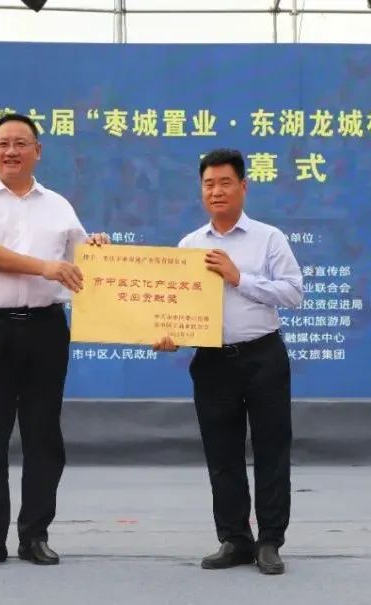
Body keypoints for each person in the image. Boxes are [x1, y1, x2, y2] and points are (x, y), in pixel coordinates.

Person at [0, 113, 108, 569]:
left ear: (38, 152)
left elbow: (82, 264)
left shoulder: (58, 205)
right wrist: (44, 267)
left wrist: (100, 249)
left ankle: (35, 535)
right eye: (3, 143)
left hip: (45, 329)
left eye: (21, 143)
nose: (11, 151)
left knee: (44, 437)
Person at [153, 148, 303, 575]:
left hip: (263, 356)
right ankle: (234, 539)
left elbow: (293, 292)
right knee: (222, 454)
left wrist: (239, 278)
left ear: (243, 186)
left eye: (224, 183)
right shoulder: (190, 245)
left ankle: (269, 541)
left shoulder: (268, 238)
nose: (216, 191)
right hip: (212, 362)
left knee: (272, 450)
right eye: (208, 184)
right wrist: (170, 335)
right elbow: (179, 308)